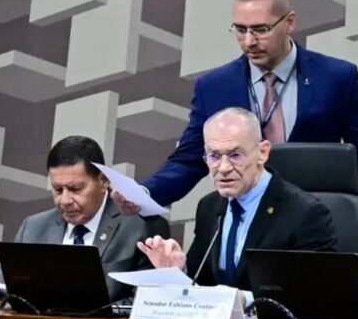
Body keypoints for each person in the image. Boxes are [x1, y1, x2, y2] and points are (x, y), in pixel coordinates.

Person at [117, 0, 358, 266]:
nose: (249, 42)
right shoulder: (215, 86)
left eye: (260, 29)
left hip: (313, 229)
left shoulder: (335, 78)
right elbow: (189, 158)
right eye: (240, 30)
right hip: (245, 226)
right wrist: (145, 194)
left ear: (289, 22)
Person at [138, 108, 337, 289]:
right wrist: (179, 271)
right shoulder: (209, 206)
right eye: (214, 156)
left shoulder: (305, 213)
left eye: (235, 155)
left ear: (263, 152)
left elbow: (316, 292)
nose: (224, 168)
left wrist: (245, 300)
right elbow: (203, 284)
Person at [14, 135, 170, 301]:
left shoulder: (143, 227)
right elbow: (9, 295)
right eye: (58, 190)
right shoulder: (32, 229)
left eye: (75, 189)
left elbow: (147, 302)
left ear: (103, 181)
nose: (65, 200)